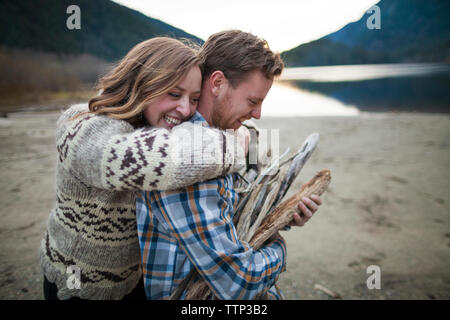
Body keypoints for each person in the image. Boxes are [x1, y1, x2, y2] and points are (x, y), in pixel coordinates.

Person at [40, 37, 250, 300]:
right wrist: (234, 144)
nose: (185, 109)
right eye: (174, 94)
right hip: (79, 286)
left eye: (194, 98)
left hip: (135, 280)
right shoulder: (82, 126)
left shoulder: (151, 127)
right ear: (140, 83)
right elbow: (157, 159)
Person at [136, 30, 322, 300]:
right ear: (218, 83)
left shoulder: (218, 145)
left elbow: (224, 221)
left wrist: (281, 217)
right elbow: (238, 285)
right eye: (253, 101)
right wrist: (278, 249)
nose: (257, 114)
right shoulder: (191, 160)